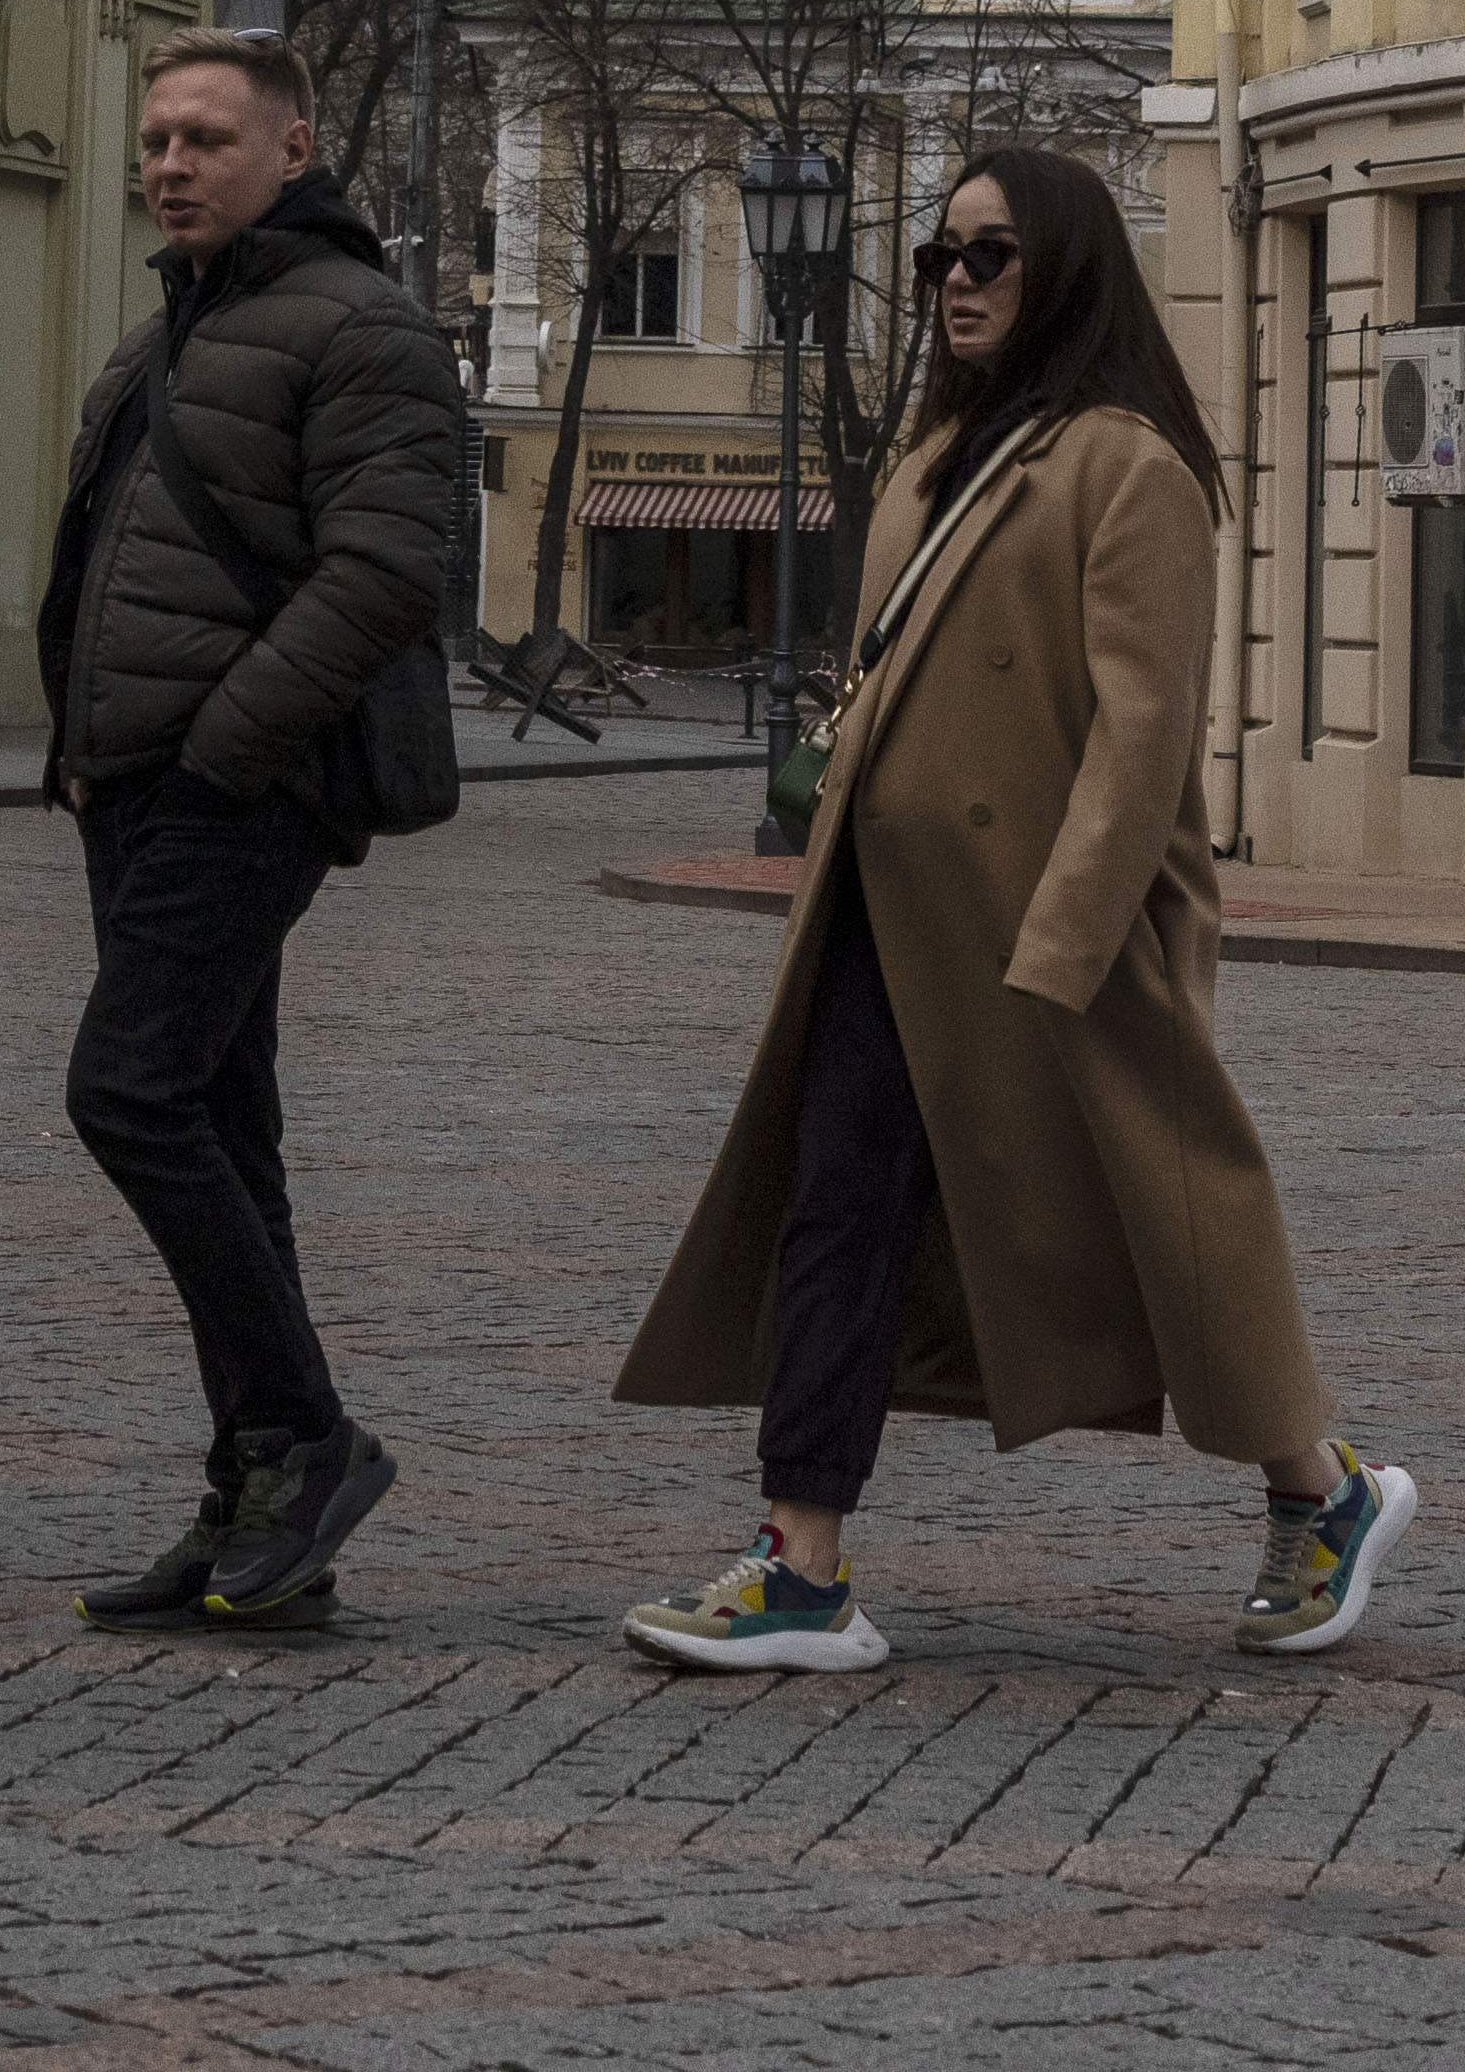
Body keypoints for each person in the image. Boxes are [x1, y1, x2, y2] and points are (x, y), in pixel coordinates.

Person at [604, 147, 1411, 1676]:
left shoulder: (1131, 468)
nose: (957, 284)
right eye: (938, 259)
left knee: (1165, 1228)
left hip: (1055, 937)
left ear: (1066, 271)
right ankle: (801, 1564)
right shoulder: (928, 458)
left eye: (991, 257)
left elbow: (1143, 733)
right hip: (889, 914)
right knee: (835, 1210)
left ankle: (1324, 1484)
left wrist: (1071, 944)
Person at [37, 30, 470, 1634]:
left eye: (206, 137)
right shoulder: (174, 330)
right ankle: (257, 1500)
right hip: (136, 783)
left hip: (241, 783)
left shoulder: (364, 329)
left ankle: (307, 1437)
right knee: (219, 1119)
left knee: (127, 1090)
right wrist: (83, 749)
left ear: (293, 151)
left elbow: (383, 575)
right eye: (155, 136)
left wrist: (224, 749)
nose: (170, 162)